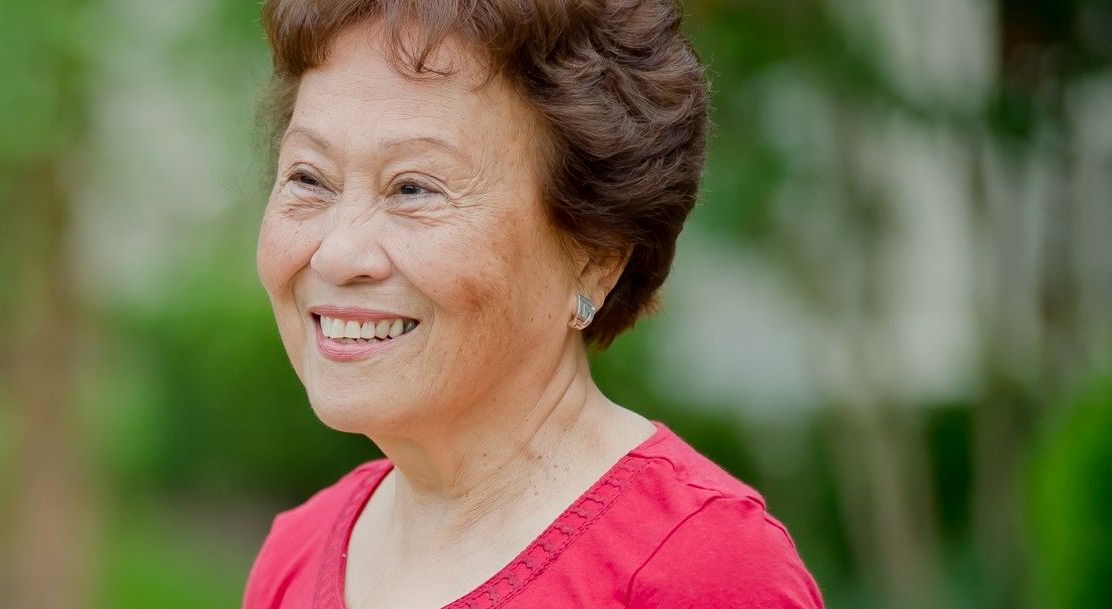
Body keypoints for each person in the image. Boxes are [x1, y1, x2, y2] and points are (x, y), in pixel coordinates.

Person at [242, 1, 823, 608]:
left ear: (596, 253)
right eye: (309, 179)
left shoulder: (701, 569)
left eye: (414, 188)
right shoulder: (298, 551)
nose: (337, 255)